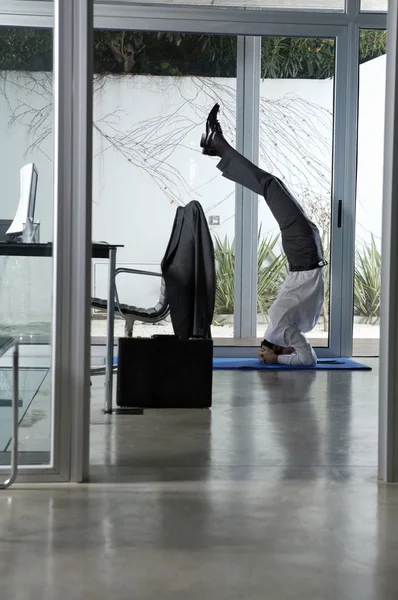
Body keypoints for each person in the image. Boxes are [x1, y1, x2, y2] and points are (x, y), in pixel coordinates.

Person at [200, 104, 327, 366]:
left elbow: (307, 360)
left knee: (270, 185)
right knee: (272, 184)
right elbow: (307, 358)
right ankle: (214, 145)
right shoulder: (284, 330)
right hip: (305, 251)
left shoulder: (281, 330)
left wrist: (274, 359)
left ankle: (216, 143)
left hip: (304, 251)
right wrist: (278, 358)